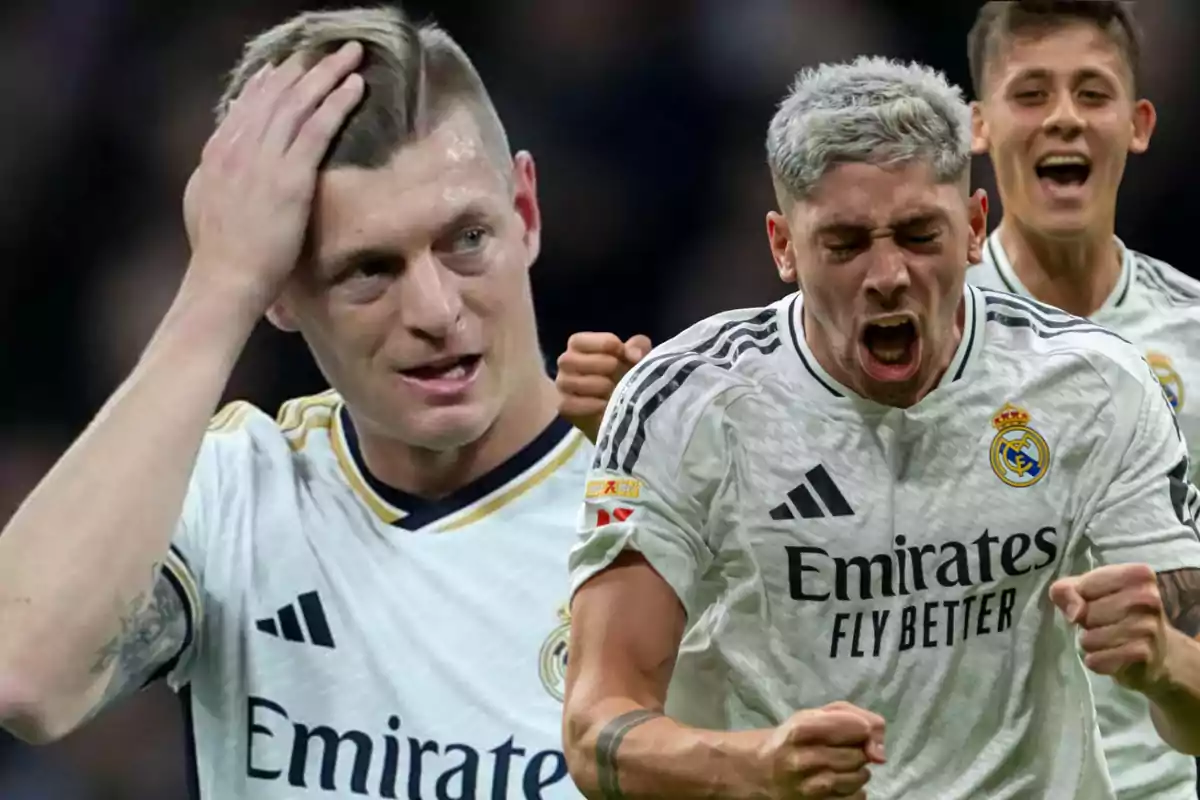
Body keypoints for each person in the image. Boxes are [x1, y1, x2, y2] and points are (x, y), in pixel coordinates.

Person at [556, 56, 1200, 800]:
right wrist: (756, 765)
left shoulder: (1095, 385)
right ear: (783, 247)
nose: (888, 274)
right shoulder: (682, 404)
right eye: (847, 243)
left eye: (919, 234)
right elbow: (595, 729)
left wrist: (1161, 661)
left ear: (974, 227)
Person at [0, 7, 589, 798]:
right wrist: (218, 287)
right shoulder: (235, 494)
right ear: (280, 290)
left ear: (525, 213)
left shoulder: (680, 500)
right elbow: (22, 675)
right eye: (369, 269)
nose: (435, 309)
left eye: (466, 239)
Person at [966, 3, 1200, 796]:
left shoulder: (1194, 336)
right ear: (979, 126)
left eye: (1092, 94)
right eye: (1030, 94)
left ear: (1137, 123)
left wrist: (1165, 660)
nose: (1063, 118)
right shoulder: (914, 344)